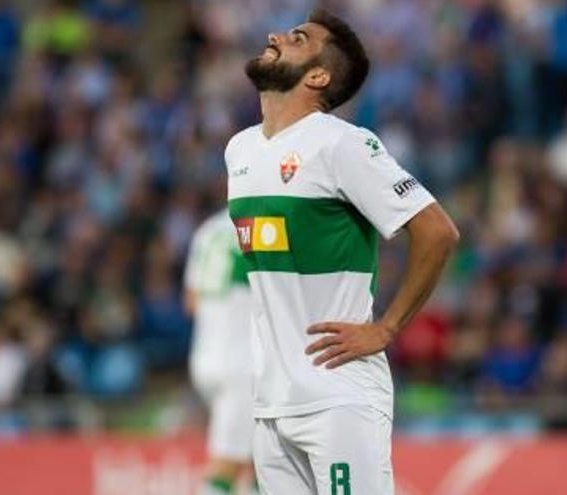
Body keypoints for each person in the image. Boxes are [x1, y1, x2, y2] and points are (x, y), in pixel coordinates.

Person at [226, 9, 459, 494]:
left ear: (319, 75)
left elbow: (437, 231)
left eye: (296, 37)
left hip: (338, 397)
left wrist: (387, 327)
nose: (274, 36)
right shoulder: (240, 150)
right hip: (270, 403)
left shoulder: (342, 144)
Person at [184, 208, 256, 495]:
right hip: (243, 363)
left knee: (259, 459)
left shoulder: (208, 229)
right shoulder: (261, 226)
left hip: (206, 357)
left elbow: (190, 301)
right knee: (228, 463)